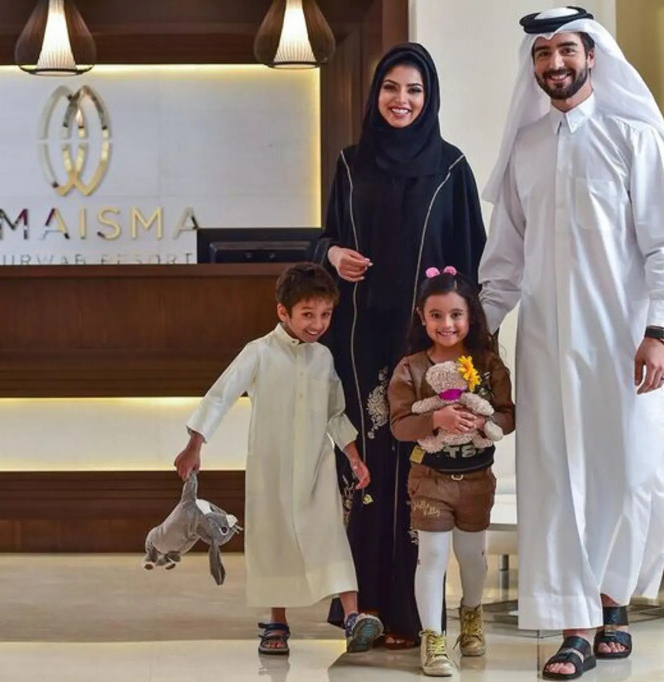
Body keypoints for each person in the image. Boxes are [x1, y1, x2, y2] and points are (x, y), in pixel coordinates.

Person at [479, 7, 664, 679]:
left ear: (592, 54)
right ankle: (575, 628)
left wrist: (657, 332)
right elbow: (504, 263)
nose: (554, 63)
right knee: (555, 480)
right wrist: (475, 338)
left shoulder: (634, 138)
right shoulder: (526, 149)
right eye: (542, 53)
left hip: (624, 347)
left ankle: (612, 599)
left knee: (632, 472)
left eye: (565, 49)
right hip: (544, 346)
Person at [318, 42, 487, 648]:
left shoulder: (451, 168)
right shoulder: (349, 164)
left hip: (427, 350)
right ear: (376, 94)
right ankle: (361, 609)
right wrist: (332, 254)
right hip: (361, 340)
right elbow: (326, 239)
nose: (402, 99)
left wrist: (467, 350)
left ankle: (414, 616)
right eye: (391, 87)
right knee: (367, 466)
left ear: (429, 97)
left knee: (422, 470)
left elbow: (473, 263)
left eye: (414, 90)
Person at [174, 263, 384, 656]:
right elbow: (221, 395)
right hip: (270, 468)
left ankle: (353, 617)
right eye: (308, 314)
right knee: (273, 540)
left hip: (317, 467)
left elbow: (335, 413)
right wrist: (195, 443)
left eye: (325, 314)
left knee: (330, 535)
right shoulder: (259, 352)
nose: (318, 324)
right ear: (283, 312)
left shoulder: (323, 357)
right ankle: (277, 621)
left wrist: (354, 457)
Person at [388, 267, 515, 676]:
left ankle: (472, 616)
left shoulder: (488, 364)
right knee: (432, 558)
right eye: (437, 315)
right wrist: (435, 419)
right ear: (422, 317)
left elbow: (508, 416)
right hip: (430, 480)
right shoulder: (410, 368)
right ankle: (433, 638)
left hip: (477, 481)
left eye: (456, 314)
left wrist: (484, 422)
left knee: (472, 557)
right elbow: (399, 425)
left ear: (471, 316)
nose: (447, 324)